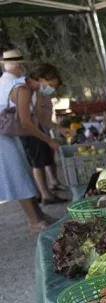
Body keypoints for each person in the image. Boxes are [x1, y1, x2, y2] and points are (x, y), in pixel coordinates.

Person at [0, 61, 61, 232]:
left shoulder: (33, 90)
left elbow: (40, 117)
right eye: (49, 85)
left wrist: (57, 128)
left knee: (25, 175)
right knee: (18, 177)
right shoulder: (23, 89)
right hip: (3, 138)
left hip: (9, 134)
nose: (50, 89)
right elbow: (26, 123)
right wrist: (49, 140)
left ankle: (39, 215)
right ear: (41, 79)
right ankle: (34, 221)